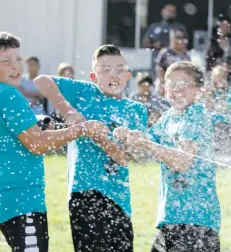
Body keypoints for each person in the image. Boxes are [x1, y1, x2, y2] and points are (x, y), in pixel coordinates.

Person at [0, 31, 110, 252]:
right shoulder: (9, 94)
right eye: (5, 61)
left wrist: (37, 122)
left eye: (18, 59)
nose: (15, 66)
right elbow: (37, 144)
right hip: (21, 199)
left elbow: (7, 131)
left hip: (1, 197)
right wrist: (82, 129)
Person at [34, 44, 148, 252]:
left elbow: (123, 159)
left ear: (128, 76)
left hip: (119, 198)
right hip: (84, 193)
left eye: (120, 69)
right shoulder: (84, 92)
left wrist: (99, 137)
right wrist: (68, 112)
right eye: (105, 69)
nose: (113, 74)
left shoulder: (136, 110)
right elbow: (41, 81)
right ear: (94, 77)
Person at [115, 61, 221, 252]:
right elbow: (141, 152)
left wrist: (145, 143)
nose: (176, 90)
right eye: (171, 85)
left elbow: (181, 161)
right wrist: (130, 138)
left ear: (197, 90)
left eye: (183, 85)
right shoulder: (167, 118)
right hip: (171, 219)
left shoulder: (196, 114)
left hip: (196, 223)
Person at [142, 4, 188, 81]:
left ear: (175, 14)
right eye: (167, 11)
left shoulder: (179, 27)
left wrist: (168, 46)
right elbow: (145, 42)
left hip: (173, 60)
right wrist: (155, 44)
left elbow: (184, 44)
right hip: (157, 61)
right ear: (162, 11)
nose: (169, 13)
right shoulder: (154, 26)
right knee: (158, 81)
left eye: (171, 12)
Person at [156, 28, 191, 97]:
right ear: (171, 39)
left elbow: (189, 73)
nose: (180, 40)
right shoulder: (165, 53)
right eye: (177, 37)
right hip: (167, 87)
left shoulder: (186, 54)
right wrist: (163, 86)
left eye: (182, 38)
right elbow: (160, 71)